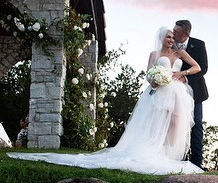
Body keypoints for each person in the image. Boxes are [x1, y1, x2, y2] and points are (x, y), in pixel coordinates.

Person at [7, 27, 204, 174]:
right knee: (155, 123)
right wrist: (154, 81)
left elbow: (197, 67)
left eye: (172, 36)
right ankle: (156, 153)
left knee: (176, 123)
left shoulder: (179, 53)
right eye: (167, 36)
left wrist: (181, 73)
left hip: (176, 91)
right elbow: (148, 75)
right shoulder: (154, 54)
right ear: (162, 38)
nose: (170, 39)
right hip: (159, 91)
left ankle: (168, 156)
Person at [173, 19, 208, 168]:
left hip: (195, 91)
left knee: (196, 124)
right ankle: (179, 158)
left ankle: (197, 162)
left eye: (177, 32)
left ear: (186, 34)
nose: (173, 33)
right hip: (174, 92)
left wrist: (185, 77)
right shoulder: (169, 43)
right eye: (173, 30)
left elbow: (204, 68)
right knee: (176, 124)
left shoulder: (199, 44)